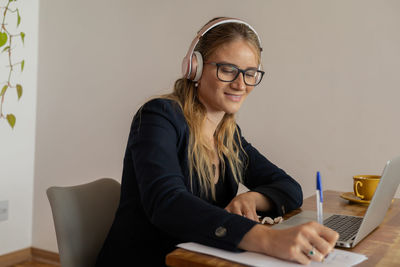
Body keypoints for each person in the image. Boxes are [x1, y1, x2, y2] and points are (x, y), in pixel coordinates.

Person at [96, 17, 338, 266]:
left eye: (250, 73)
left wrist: (252, 198)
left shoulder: (228, 136)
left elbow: (289, 188)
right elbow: (167, 203)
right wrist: (267, 239)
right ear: (195, 68)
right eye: (227, 70)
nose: (240, 84)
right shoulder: (159, 117)